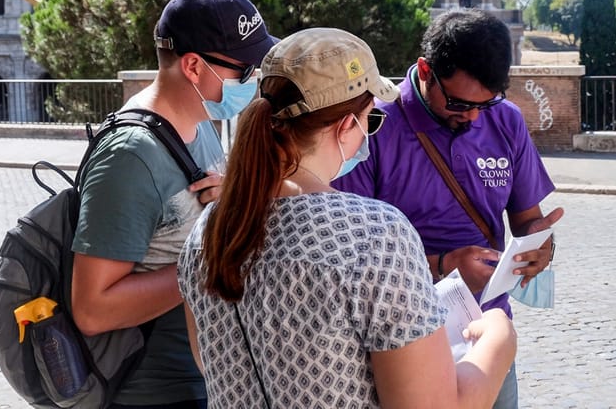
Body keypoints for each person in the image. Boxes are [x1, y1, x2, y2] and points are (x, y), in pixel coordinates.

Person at [178, 27, 517, 409]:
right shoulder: (375, 236)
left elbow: (210, 362)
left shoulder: (209, 230)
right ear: (345, 127)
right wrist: (498, 338)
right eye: (370, 120)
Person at [334, 9, 564, 409]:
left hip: (485, 332)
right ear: (425, 70)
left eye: (485, 104)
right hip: (398, 337)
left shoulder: (505, 120)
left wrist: (539, 247)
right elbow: (350, 256)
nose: (473, 116)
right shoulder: (372, 126)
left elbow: (527, 218)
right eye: (459, 102)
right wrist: (443, 265)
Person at [70, 0, 277, 409]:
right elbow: (92, 309)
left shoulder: (200, 123)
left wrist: (229, 203)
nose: (253, 80)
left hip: (200, 377)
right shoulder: (129, 157)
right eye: (245, 69)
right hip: (150, 390)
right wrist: (215, 260)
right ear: (195, 66)